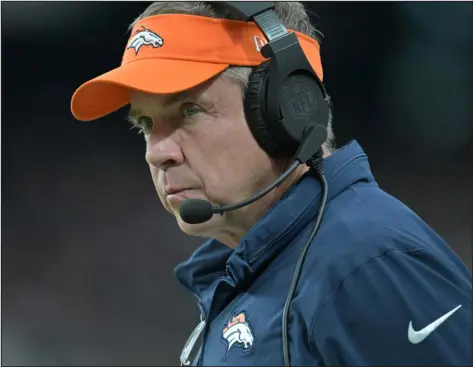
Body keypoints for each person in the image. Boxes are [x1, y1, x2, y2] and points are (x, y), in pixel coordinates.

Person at [70, 2, 472, 366]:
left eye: (189, 110)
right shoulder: (254, 274)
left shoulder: (367, 263)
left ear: (287, 106)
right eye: (145, 125)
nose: (157, 153)